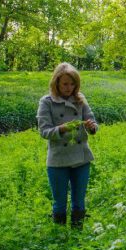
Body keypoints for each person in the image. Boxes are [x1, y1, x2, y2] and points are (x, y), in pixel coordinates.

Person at [36, 62, 98, 229]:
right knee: (60, 201)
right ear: (56, 82)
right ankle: (60, 234)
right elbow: (44, 131)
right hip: (58, 160)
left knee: (79, 200)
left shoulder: (80, 99)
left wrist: (92, 127)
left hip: (81, 157)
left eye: (72, 84)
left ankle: (77, 234)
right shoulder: (46, 102)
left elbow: (92, 121)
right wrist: (62, 129)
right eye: (65, 84)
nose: (69, 87)